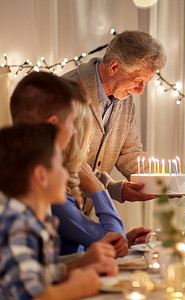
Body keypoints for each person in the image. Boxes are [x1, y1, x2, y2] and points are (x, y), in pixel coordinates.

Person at [9, 71, 125, 267]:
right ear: (53, 125)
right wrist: (98, 188)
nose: (74, 132)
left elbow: (46, 267)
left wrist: (123, 241)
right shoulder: (46, 187)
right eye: (72, 123)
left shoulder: (21, 173)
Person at [62, 30, 167, 204]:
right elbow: (67, 161)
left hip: (84, 210)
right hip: (54, 210)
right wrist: (113, 188)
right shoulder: (66, 92)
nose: (140, 91)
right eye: (137, 80)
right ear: (114, 67)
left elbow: (129, 152)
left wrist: (164, 183)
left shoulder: (124, 99)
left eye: (145, 83)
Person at [0, 124, 101, 299]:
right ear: (41, 176)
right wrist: (79, 287)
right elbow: (33, 296)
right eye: (61, 166)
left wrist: (79, 266)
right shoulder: (16, 226)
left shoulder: (34, 222)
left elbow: (38, 275)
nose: (67, 174)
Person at [52, 99, 151, 255]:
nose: (90, 147)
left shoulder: (62, 192)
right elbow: (113, 239)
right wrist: (97, 187)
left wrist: (124, 241)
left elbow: (83, 243)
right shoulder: (57, 201)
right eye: (89, 140)